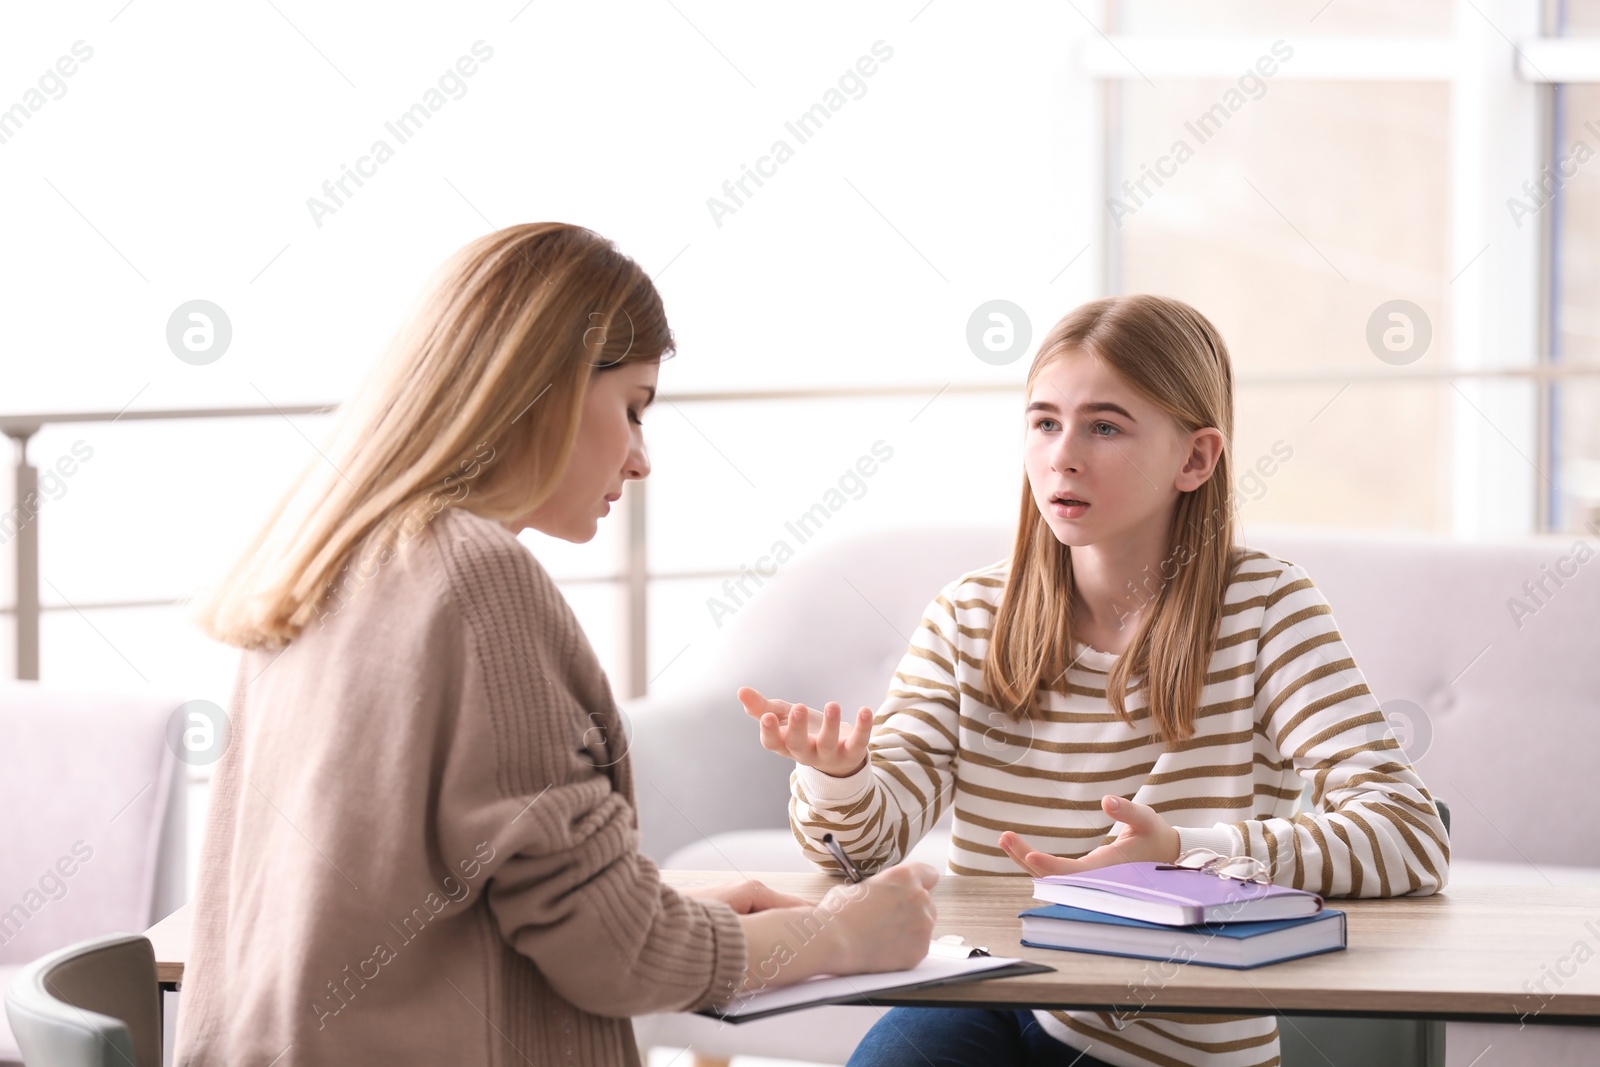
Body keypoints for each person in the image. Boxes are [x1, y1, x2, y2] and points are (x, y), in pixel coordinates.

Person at [178, 223, 939, 1067]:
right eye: (633, 408)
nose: (642, 458)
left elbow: (472, 905)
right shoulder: (479, 582)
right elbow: (618, 958)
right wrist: (834, 936)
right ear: (547, 385)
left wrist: (653, 912)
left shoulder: (321, 565)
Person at [740, 294, 1450, 1067]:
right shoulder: (969, 614)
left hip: (1174, 1038)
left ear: (1195, 458)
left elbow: (1410, 836)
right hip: (990, 993)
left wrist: (1186, 851)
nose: (1062, 455)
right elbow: (858, 855)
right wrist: (840, 778)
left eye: (1104, 426)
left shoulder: (1268, 609)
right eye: (1045, 422)